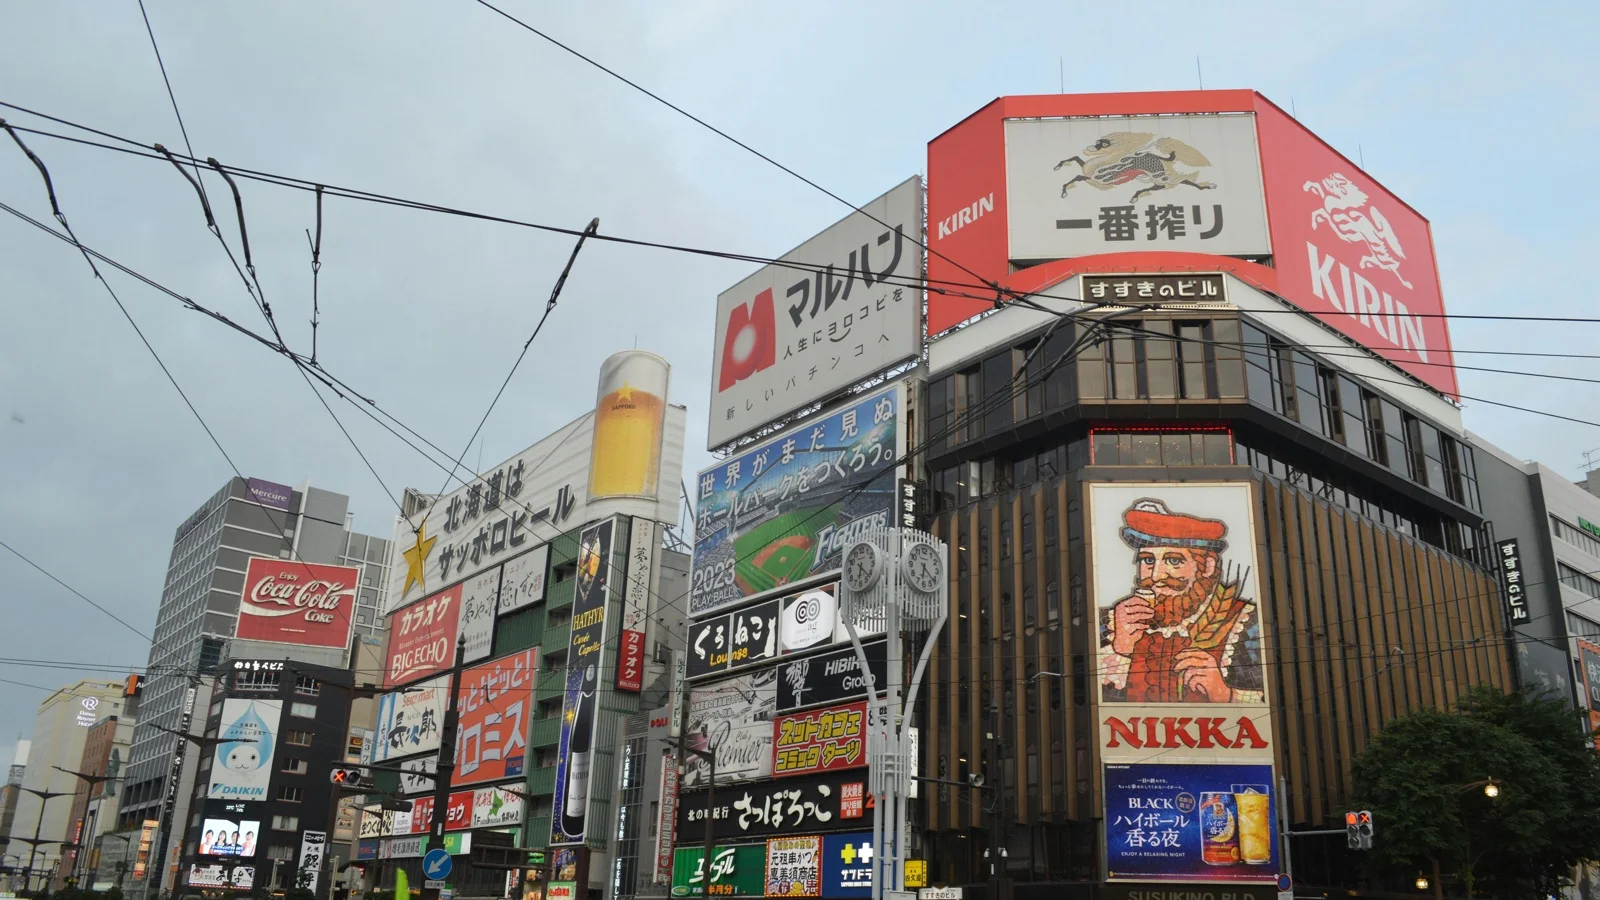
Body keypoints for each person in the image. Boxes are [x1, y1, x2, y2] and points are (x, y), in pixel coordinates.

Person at [1099, 498, 1264, 703]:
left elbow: (1278, 701)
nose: (1157, 575)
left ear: (1208, 566)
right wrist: (1121, 650)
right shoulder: (1108, 622)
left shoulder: (1247, 623)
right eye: (1148, 560)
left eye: (1174, 561)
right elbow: (1082, 697)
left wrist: (1225, 694)